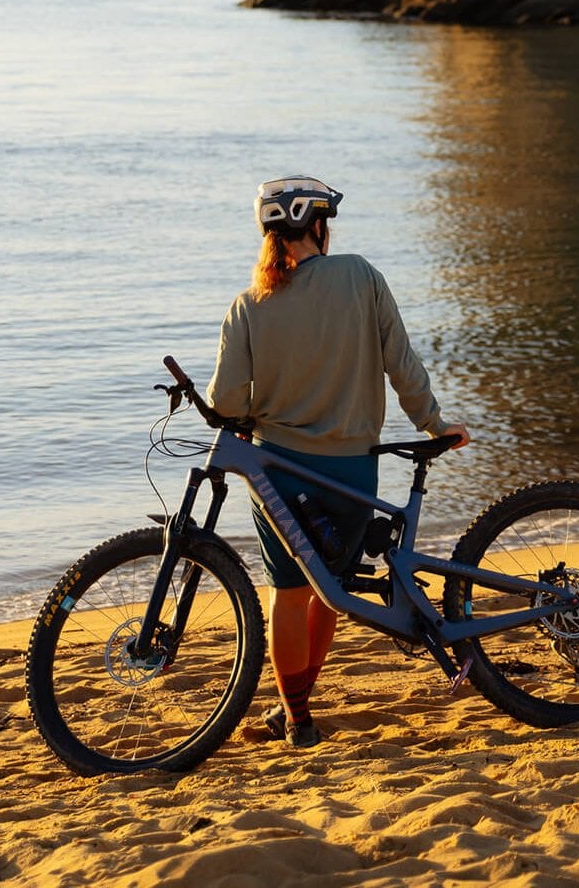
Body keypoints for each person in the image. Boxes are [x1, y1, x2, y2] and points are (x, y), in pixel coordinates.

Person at [208, 177, 468, 749]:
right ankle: (298, 706)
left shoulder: (249, 303)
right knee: (332, 588)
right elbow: (402, 363)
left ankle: (296, 717)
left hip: (279, 470)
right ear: (318, 227)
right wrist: (434, 424)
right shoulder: (360, 276)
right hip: (352, 468)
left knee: (288, 590)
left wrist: (261, 412)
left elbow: (226, 403)